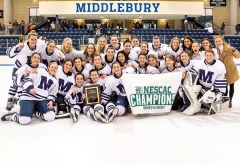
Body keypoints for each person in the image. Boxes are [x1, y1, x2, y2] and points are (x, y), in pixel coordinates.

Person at [1, 56, 58, 125]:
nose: (53, 69)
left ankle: (35, 112)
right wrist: (30, 87)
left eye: (55, 68)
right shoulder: (40, 71)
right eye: (52, 67)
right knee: (24, 120)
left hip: (41, 100)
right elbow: (27, 78)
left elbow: (52, 94)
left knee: (51, 116)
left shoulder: (55, 82)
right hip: (28, 98)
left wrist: (51, 101)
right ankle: (13, 116)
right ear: (48, 67)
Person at [5, 30, 45, 111]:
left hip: (31, 69)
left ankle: (19, 100)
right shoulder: (22, 46)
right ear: (28, 39)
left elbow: (50, 46)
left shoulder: (40, 44)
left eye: (35, 39)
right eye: (32, 39)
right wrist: (17, 48)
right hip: (19, 68)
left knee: (28, 86)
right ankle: (10, 100)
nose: (33, 41)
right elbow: (9, 54)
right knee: (15, 83)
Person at [181, 49, 226, 115]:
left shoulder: (220, 65)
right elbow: (192, 72)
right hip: (200, 85)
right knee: (187, 88)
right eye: (207, 55)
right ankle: (189, 105)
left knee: (210, 98)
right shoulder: (200, 63)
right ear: (205, 56)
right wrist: (186, 73)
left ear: (213, 56)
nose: (209, 57)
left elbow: (221, 80)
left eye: (210, 55)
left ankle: (212, 104)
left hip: (211, 88)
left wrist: (218, 92)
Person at [214, 36, 240, 108]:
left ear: (222, 41)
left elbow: (238, 56)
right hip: (222, 71)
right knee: (224, 87)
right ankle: (225, 100)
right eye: (216, 41)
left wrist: (234, 50)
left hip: (230, 69)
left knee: (231, 85)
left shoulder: (228, 48)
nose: (218, 43)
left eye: (219, 41)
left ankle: (230, 100)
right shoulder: (215, 50)